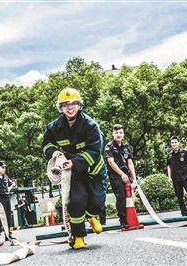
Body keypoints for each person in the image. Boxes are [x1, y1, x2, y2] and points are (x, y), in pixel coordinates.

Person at [42, 88, 107, 250]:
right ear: (61, 107)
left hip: (93, 169)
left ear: (79, 105)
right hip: (74, 172)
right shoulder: (54, 127)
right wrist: (53, 152)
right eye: (65, 105)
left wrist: (75, 161)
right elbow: (46, 143)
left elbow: (95, 150)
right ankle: (78, 236)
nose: (70, 108)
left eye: (73, 104)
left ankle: (92, 217)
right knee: (76, 203)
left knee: (98, 202)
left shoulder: (91, 125)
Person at [105, 124, 138, 228]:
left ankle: (130, 218)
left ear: (123, 134)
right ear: (113, 134)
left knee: (129, 195)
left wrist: (134, 179)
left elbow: (130, 163)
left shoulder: (126, 147)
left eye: (120, 133)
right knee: (121, 197)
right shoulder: (109, 147)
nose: (118, 135)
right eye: (116, 133)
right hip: (115, 175)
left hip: (126, 174)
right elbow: (111, 162)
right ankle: (123, 220)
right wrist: (122, 174)